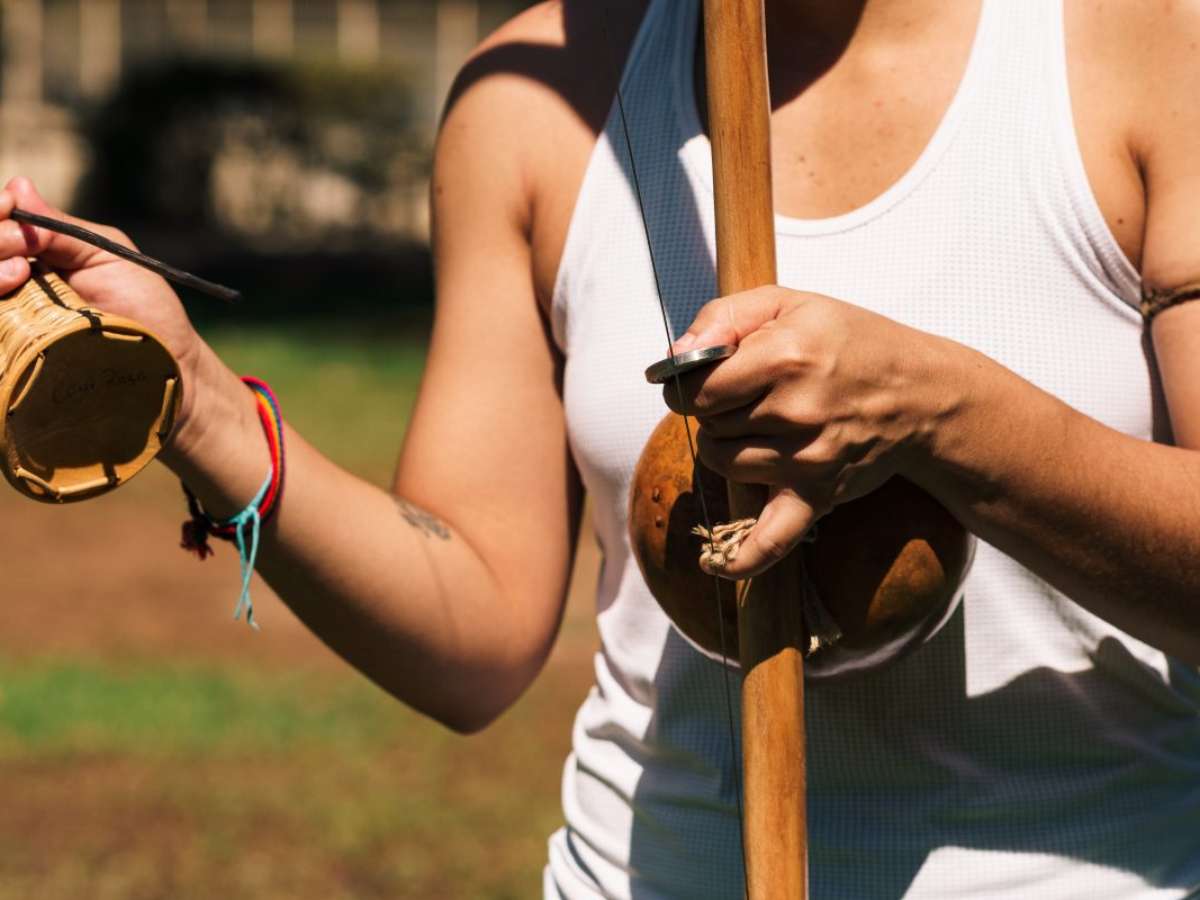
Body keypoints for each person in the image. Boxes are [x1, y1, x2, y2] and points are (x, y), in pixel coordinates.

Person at [2, 0, 1200, 896]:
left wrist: (947, 417)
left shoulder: (1144, 45)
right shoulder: (541, 104)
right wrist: (196, 401)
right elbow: (469, 633)